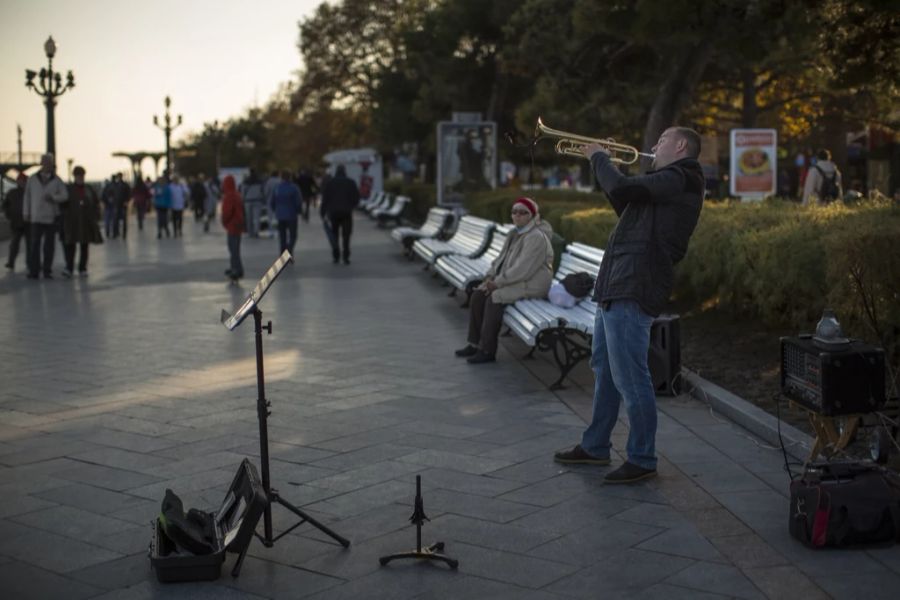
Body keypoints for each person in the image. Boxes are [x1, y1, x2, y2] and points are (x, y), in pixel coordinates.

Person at [554, 127, 704, 484]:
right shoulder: (664, 184)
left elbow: (621, 187)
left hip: (637, 282)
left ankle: (642, 456)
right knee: (605, 368)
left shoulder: (683, 177)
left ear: (680, 145)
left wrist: (598, 155)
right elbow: (623, 199)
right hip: (618, 279)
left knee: (631, 376)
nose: (653, 146)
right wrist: (606, 167)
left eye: (662, 140)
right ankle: (595, 446)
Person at [455, 197, 554, 364]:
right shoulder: (515, 233)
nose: (517, 215)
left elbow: (522, 269)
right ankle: (474, 344)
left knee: (495, 297)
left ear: (533, 216)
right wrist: (489, 277)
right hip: (515, 281)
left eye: (523, 213)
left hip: (532, 284)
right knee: (478, 294)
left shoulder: (536, 237)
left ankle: (487, 350)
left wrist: (497, 284)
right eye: (514, 212)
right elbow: (500, 260)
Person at [23, 153, 68, 279]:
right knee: (34, 245)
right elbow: (27, 196)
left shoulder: (57, 180)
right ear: (41, 163)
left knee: (49, 246)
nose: (47, 165)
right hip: (36, 217)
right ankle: (34, 271)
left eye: (49, 163)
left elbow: (65, 195)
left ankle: (47, 270)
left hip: (50, 217)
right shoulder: (32, 179)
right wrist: (26, 212)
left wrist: (54, 198)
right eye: (45, 162)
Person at [62, 166, 102, 277]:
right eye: (78, 175)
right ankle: (69, 268)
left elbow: (96, 203)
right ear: (74, 176)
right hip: (72, 222)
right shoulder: (68, 189)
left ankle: (82, 268)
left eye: (82, 175)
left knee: (84, 246)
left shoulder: (89, 189)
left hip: (86, 221)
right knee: (71, 246)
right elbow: (63, 204)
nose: (81, 177)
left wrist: (96, 216)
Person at [320, 165, 360, 264]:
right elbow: (356, 197)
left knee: (335, 234)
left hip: (333, 212)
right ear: (344, 171)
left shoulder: (330, 183)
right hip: (346, 212)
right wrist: (351, 206)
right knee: (346, 235)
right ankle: (346, 255)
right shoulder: (350, 182)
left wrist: (323, 212)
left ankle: (336, 254)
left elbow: (325, 198)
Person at [3, 173, 30, 271]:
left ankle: (30, 263)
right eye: (20, 180)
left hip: (28, 223)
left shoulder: (30, 192)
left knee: (30, 245)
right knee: (14, 244)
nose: (22, 182)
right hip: (16, 223)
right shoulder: (12, 192)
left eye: (24, 181)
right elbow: (5, 205)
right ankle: (11, 262)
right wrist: (8, 215)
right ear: (17, 181)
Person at [270, 170, 302, 255]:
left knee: (282, 236)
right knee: (293, 236)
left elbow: (272, 201)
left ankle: (282, 253)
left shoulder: (277, 188)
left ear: (281, 177)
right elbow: (298, 201)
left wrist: (275, 210)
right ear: (290, 177)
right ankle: (289, 249)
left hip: (280, 215)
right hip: (291, 215)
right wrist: (299, 210)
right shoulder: (294, 187)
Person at [220, 175, 245, 281]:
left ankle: (236, 269)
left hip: (232, 225)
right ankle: (236, 268)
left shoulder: (229, 196)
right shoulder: (237, 195)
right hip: (238, 224)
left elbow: (227, 212)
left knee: (233, 249)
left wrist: (224, 221)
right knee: (236, 248)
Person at [240, 168, 265, 237]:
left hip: (248, 201)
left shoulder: (245, 181)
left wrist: (242, 200)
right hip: (257, 201)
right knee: (256, 217)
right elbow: (263, 191)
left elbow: (243, 192)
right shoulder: (260, 181)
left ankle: (250, 232)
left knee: (249, 218)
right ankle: (256, 231)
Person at [152, 174, 172, 239]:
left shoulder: (167, 187)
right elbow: (154, 196)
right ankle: (160, 231)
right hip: (159, 205)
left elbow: (169, 196)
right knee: (159, 219)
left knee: (165, 218)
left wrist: (169, 205)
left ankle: (166, 229)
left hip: (165, 205)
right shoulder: (157, 187)